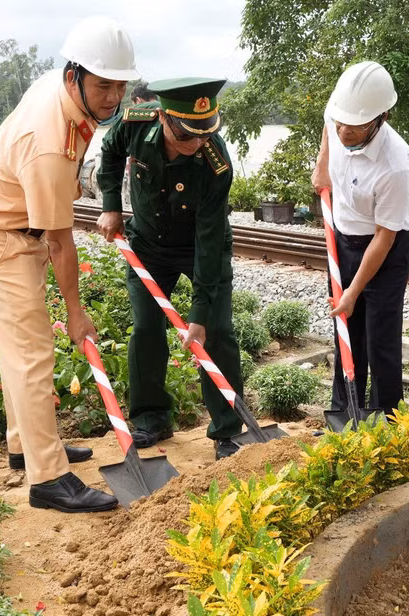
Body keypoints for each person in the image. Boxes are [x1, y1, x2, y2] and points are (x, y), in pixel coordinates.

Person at [0, 16, 139, 514]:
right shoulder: (48, 142)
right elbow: (62, 243)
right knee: (33, 356)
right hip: (3, 242)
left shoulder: (63, 94)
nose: (112, 97)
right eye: (103, 85)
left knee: (15, 353)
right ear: (73, 75)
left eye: (119, 85)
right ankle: (49, 478)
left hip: (6, 227)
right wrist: (77, 314)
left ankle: (26, 446)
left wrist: (64, 186)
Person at [96, 77, 244, 460]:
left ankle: (227, 431)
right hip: (148, 244)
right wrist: (111, 204)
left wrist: (199, 314)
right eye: (187, 137)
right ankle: (151, 418)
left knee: (217, 333)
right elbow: (109, 154)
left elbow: (210, 243)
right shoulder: (133, 123)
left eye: (204, 135)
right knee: (146, 328)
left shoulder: (216, 162)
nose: (197, 144)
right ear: (162, 118)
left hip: (199, 245)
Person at [311, 61, 409, 420]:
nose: (344, 131)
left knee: (380, 339)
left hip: (384, 250)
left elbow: (385, 238)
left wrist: (353, 291)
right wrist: (323, 163)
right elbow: (329, 124)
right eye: (340, 123)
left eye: (354, 127)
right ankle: (343, 413)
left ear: (380, 118)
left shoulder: (396, 164)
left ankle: (387, 418)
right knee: (345, 331)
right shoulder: (341, 113)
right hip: (342, 241)